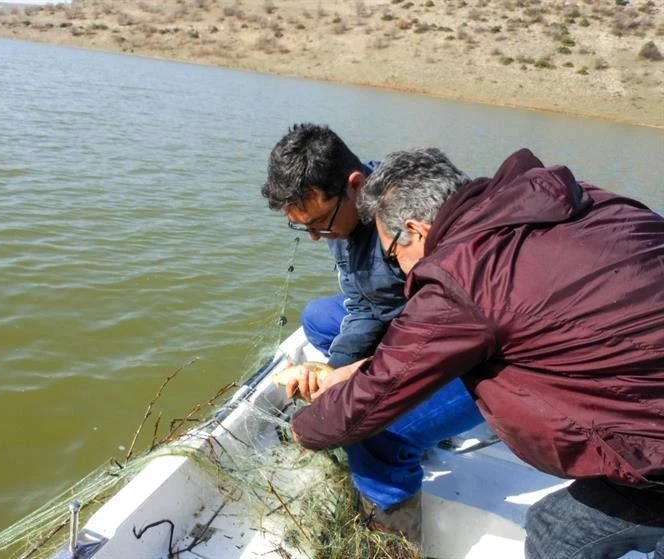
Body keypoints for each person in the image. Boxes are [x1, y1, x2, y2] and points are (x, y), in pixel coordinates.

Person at [289, 146, 664, 559]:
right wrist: (353, 370)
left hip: (654, 447)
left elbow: (372, 397)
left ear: (415, 230)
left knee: (553, 533)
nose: (402, 272)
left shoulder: (462, 276)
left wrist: (301, 428)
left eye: (396, 255)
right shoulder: (580, 198)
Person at [261, 124, 484, 545]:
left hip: (473, 350)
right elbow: (364, 307)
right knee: (319, 319)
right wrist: (334, 372)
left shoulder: (415, 220)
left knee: (375, 432)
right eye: (303, 228)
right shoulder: (341, 223)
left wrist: (356, 393)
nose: (315, 238)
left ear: (355, 186)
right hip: (418, 328)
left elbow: (435, 340)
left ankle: (392, 543)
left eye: (319, 224)